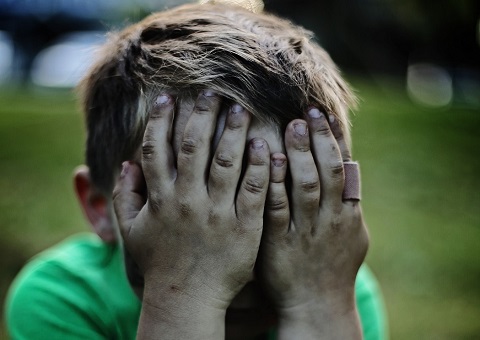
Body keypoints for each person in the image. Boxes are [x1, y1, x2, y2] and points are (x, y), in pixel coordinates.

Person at [5, 1, 388, 339]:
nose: (240, 271)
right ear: (99, 206)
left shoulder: (336, 288)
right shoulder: (64, 299)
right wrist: (185, 293)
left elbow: (325, 297)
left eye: (278, 209)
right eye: (189, 211)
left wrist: (317, 305)